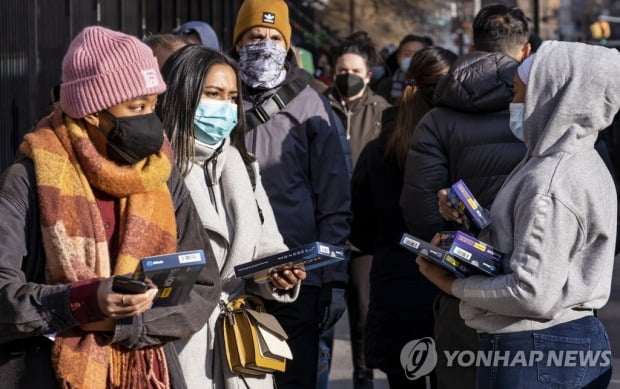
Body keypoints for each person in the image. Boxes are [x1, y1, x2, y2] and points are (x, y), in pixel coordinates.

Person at [0, 26, 221, 389]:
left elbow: (202, 282)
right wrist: (82, 302)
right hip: (45, 374)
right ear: (91, 112)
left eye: (153, 106)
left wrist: (126, 323)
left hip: (148, 374)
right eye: (136, 107)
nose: (151, 121)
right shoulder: (28, 179)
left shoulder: (160, 174)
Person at [419, 40, 619, 389]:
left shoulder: (551, 178)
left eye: (517, 92)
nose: (512, 103)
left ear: (549, 95)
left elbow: (531, 292)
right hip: (553, 343)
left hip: (535, 347)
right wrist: (473, 219)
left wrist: (451, 284)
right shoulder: (571, 159)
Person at [156, 44, 307, 389]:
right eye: (212, 94)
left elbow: (268, 246)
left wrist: (278, 272)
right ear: (183, 93)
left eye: (231, 97)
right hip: (180, 341)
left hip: (239, 345)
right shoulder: (155, 168)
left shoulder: (244, 165)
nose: (223, 107)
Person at [399, 5, 530, 389]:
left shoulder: (438, 118)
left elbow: (421, 213)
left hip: (467, 294)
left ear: (473, 45)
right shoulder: (547, 109)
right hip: (545, 296)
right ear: (526, 50)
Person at [231, 1, 352, 388]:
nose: (264, 45)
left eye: (273, 37)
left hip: (294, 276)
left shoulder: (311, 104)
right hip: (229, 275)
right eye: (254, 37)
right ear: (237, 43)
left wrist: (332, 279)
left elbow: (334, 198)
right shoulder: (217, 95)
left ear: (288, 46)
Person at [351, 46, 456, 389]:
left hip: (394, 286)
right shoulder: (458, 149)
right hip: (451, 290)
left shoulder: (377, 151)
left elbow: (361, 230)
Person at [323, 30, 390, 389]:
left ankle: (363, 372)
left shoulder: (382, 112)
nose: (346, 76)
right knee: (325, 307)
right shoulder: (318, 104)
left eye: (354, 70)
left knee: (363, 307)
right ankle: (319, 368)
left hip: (365, 229)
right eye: (340, 69)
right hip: (325, 224)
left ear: (368, 74)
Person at [373, 34, 433, 104]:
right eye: (407, 54)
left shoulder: (432, 85)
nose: (412, 59)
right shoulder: (386, 84)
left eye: (417, 55)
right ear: (398, 57)